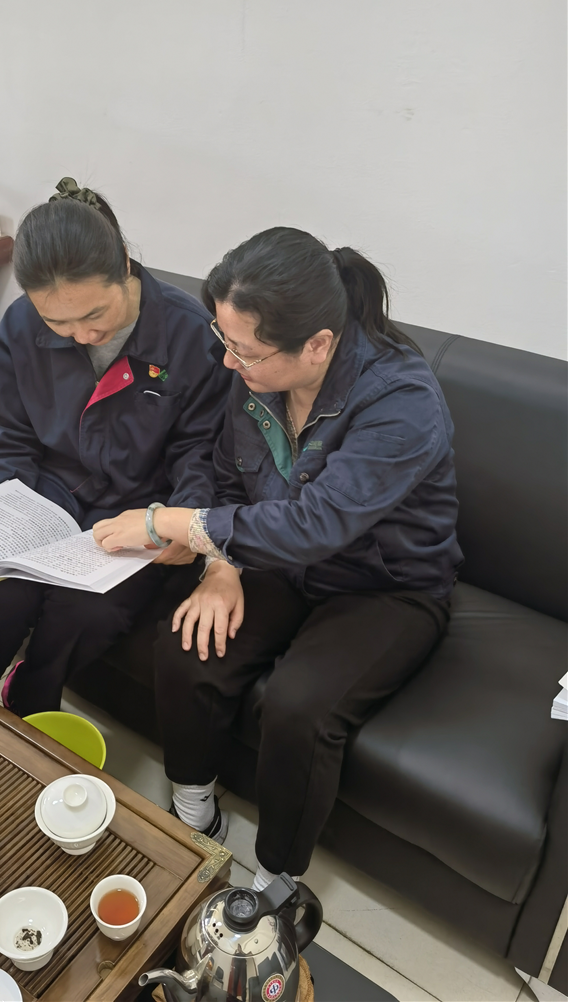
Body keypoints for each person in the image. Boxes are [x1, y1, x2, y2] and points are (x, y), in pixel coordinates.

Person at [94, 226, 463, 886]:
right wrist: (220, 567)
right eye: (225, 339)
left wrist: (169, 522)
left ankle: (276, 879)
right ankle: (195, 815)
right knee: (185, 645)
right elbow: (226, 476)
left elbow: (317, 524)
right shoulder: (257, 377)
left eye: (245, 351)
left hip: (386, 586)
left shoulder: (401, 401)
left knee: (297, 708)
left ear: (317, 344)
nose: (229, 362)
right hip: (279, 561)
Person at [0, 178, 230, 717]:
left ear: (123, 263)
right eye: (58, 321)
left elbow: (199, 451)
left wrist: (181, 521)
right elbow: (6, 434)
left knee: (87, 612)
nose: (80, 335)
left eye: (94, 315)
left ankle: (28, 701)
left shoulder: (191, 335)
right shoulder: (20, 325)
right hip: (46, 495)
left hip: (138, 511)